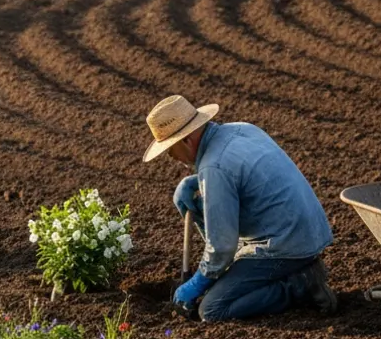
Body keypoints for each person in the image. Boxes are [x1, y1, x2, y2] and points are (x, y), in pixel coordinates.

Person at [142, 95, 337, 322]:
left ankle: (299, 286)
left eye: (170, 149)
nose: (171, 157)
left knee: (212, 309)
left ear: (186, 140)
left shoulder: (214, 168)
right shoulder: (241, 129)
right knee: (223, 278)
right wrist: (197, 181)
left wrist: (198, 282)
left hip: (284, 245)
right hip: (308, 231)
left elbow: (222, 248)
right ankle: (296, 273)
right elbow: (242, 174)